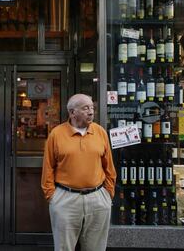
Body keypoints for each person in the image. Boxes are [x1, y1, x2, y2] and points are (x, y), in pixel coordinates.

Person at [41, 94, 116, 251]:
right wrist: (52, 196)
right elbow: (48, 168)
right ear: (72, 112)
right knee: (64, 247)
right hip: (65, 199)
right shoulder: (56, 134)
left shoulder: (100, 132)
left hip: (98, 198)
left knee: (96, 248)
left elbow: (109, 167)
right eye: (85, 108)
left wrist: (108, 194)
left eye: (92, 108)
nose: (90, 112)